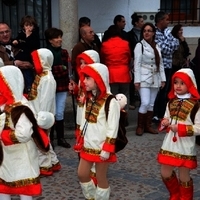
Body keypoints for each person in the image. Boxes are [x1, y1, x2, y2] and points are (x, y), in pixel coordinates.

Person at [0, 65, 49, 200]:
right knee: (4, 186)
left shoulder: (22, 108)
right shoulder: (5, 105)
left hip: (22, 155)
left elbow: (24, 134)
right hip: (6, 157)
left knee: (25, 189)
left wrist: (5, 136)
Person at [76, 63, 120, 200]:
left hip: (101, 148)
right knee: (82, 174)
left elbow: (113, 128)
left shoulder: (111, 102)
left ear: (99, 79)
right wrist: (81, 139)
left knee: (101, 178)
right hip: (88, 145)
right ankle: (92, 197)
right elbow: (85, 121)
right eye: (84, 78)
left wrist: (107, 149)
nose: (84, 81)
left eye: (88, 78)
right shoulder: (89, 98)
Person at [157, 68, 200, 199]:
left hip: (186, 144)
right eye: (176, 82)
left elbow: (198, 127)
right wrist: (165, 121)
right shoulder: (171, 102)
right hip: (169, 143)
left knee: (183, 175)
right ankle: (175, 194)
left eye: (182, 83)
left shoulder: (196, 106)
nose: (178, 86)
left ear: (190, 84)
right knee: (165, 172)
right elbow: (168, 117)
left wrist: (181, 129)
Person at [28, 48, 61, 176]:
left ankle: (44, 166)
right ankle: (53, 161)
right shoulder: (41, 76)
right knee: (44, 139)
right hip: (37, 113)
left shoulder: (47, 79)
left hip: (42, 115)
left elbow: (46, 100)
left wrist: (41, 118)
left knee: (41, 141)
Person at [134, 22, 166, 136]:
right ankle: (140, 126)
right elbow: (136, 64)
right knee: (145, 102)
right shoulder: (140, 46)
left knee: (151, 104)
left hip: (155, 77)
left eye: (149, 31)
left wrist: (163, 79)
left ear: (153, 33)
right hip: (143, 77)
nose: (146, 33)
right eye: (144, 31)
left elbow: (160, 63)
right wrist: (136, 80)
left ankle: (148, 126)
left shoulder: (156, 46)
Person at [44, 27, 71, 148]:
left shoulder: (64, 52)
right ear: (50, 40)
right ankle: (50, 139)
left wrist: (61, 70)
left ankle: (61, 137)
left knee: (60, 112)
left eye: (60, 37)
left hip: (62, 85)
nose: (59, 39)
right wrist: (61, 69)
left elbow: (67, 69)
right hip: (49, 86)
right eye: (56, 37)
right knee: (51, 112)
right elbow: (47, 70)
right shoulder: (45, 53)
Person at [153, 11, 179, 123]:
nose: (168, 22)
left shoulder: (167, 32)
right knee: (158, 91)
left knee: (165, 92)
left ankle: (160, 114)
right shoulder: (155, 33)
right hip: (159, 67)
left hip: (168, 65)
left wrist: (168, 38)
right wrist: (170, 44)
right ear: (160, 21)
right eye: (167, 19)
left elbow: (176, 44)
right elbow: (164, 49)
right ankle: (154, 114)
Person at [100, 25, 131, 110]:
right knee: (125, 96)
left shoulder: (105, 45)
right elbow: (129, 57)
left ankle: (115, 117)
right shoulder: (125, 43)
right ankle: (125, 117)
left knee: (113, 97)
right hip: (124, 73)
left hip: (111, 74)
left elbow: (102, 59)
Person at [12, 15, 40, 94]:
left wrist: (28, 36)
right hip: (20, 57)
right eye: (26, 25)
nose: (28, 28)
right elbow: (17, 41)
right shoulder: (21, 34)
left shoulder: (34, 35)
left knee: (28, 73)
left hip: (29, 58)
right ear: (23, 26)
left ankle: (29, 87)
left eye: (30, 25)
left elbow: (31, 45)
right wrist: (15, 42)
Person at [127, 13, 144, 110]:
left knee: (142, 80)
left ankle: (142, 99)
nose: (143, 23)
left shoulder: (144, 34)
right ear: (136, 23)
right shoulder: (129, 35)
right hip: (133, 60)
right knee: (132, 81)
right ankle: (132, 100)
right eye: (141, 21)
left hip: (143, 60)